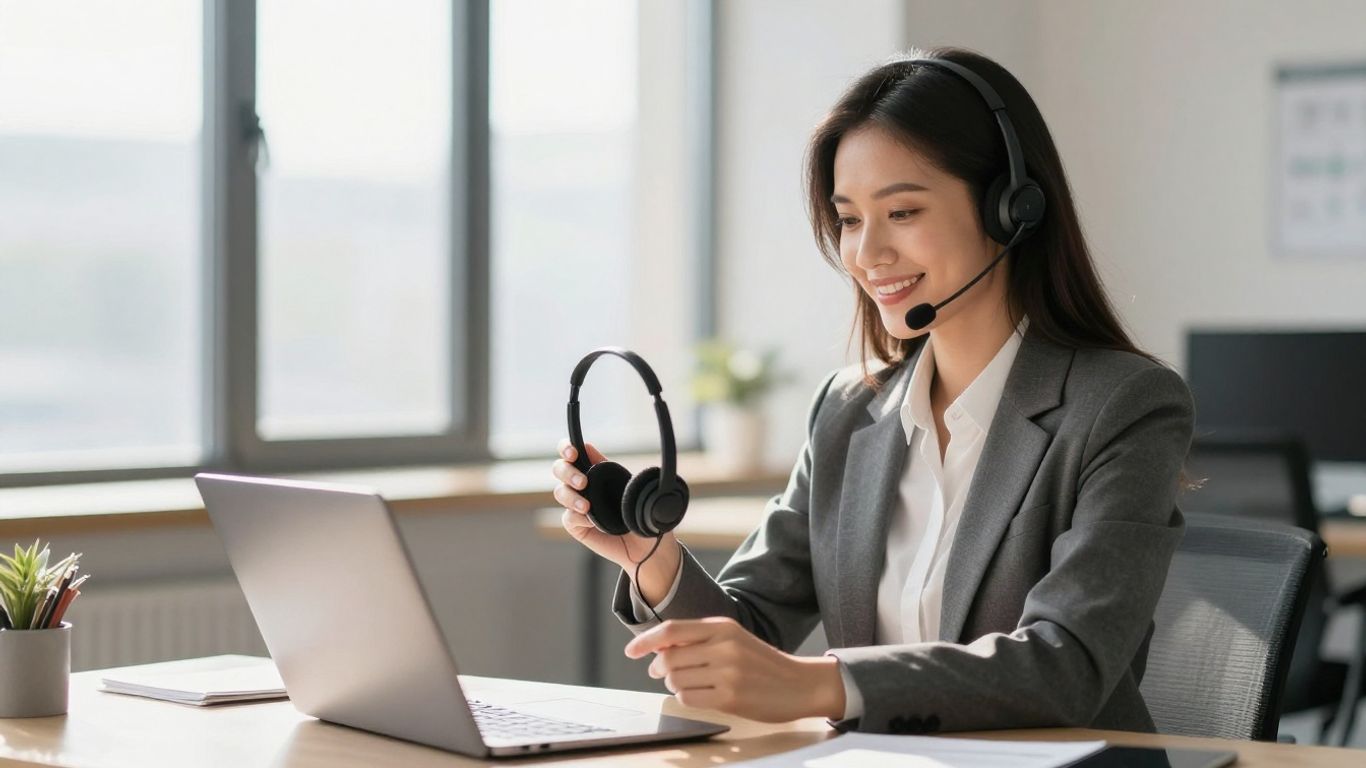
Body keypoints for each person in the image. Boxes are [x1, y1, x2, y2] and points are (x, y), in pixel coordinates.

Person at [550, 46, 1194, 735]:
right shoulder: (848, 410)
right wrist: (652, 561)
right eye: (850, 219)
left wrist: (825, 684)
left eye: (903, 212)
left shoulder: (1123, 406)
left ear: (1011, 210)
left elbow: (1067, 665)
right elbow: (751, 634)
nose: (867, 254)